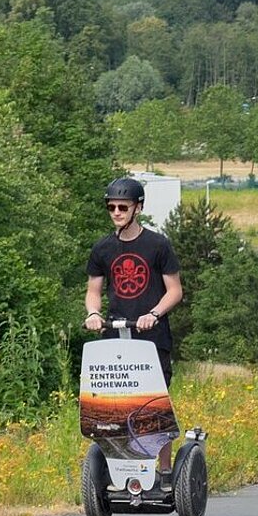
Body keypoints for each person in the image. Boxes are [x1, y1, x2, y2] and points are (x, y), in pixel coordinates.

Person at [84, 177, 183, 490]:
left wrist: (154, 314)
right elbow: (93, 291)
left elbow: (175, 291)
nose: (116, 212)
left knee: (155, 405)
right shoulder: (102, 248)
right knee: (115, 406)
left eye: (122, 207)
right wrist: (93, 313)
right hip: (116, 338)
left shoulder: (158, 245)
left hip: (152, 339)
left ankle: (164, 472)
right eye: (111, 207)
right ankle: (119, 471)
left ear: (137, 208)